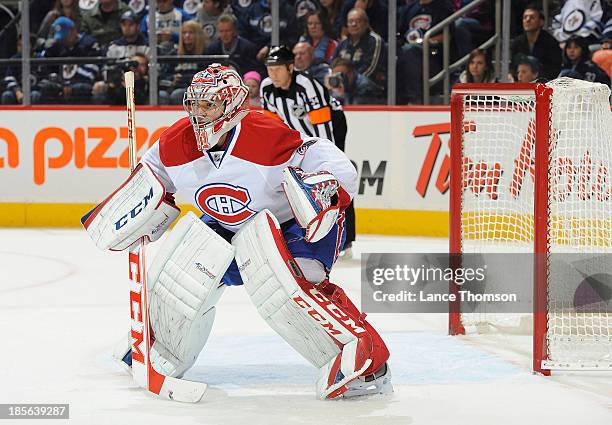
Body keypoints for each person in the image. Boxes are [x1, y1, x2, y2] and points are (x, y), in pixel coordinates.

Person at [83, 63, 392, 399]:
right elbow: (150, 179)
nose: (199, 113)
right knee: (181, 276)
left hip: (292, 225)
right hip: (226, 225)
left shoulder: (265, 133)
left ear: (231, 106)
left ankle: (365, 360)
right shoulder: (174, 142)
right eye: (195, 104)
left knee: (290, 283)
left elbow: (323, 157)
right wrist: (136, 212)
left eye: (209, 104)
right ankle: (160, 350)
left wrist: (326, 190)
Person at [261, 46, 356, 258]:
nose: (273, 73)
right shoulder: (266, 88)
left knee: (335, 179)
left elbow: (324, 130)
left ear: (290, 67)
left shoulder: (308, 87)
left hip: (332, 127)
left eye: (278, 69)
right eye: (270, 69)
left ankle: (346, 239)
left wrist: (326, 164)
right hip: (300, 135)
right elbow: (273, 127)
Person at [39, 16, 101, 104]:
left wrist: (71, 84)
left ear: (73, 31)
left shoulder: (89, 43)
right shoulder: (56, 46)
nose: (63, 40)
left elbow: (93, 69)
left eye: (65, 36)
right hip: (61, 83)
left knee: (81, 88)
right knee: (47, 88)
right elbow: (47, 66)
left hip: (83, 82)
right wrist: (57, 80)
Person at [510, 4, 562, 81]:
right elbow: (513, 66)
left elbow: (554, 69)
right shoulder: (517, 42)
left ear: (541, 22)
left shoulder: (551, 42)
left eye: (532, 17)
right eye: (525, 17)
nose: (527, 20)